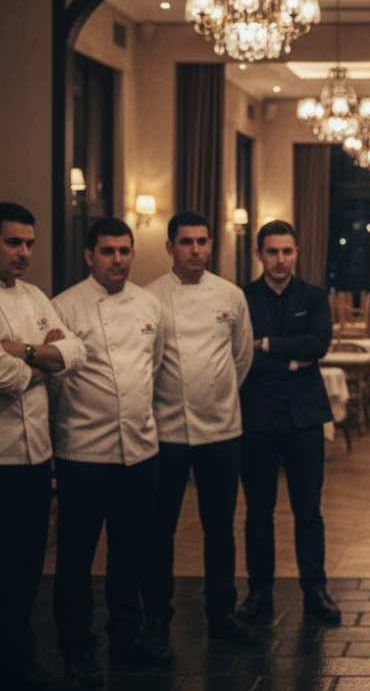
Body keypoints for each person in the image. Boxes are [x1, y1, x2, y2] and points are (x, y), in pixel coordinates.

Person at [50, 217, 167, 687]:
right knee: (77, 557)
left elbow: (151, 368)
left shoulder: (149, 305)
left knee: (131, 550)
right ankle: (77, 647)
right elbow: (55, 383)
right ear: (89, 256)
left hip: (141, 449)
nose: (118, 259)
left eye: (125, 251)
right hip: (84, 451)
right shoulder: (64, 307)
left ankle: (127, 633)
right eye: (108, 251)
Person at [142, 211, 256, 651]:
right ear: (170, 247)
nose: (196, 250)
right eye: (187, 242)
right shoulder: (150, 297)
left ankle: (221, 610)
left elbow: (241, 358)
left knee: (221, 527)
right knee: (160, 528)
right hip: (167, 430)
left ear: (211, 245)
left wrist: (219, 395)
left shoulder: (231, 295)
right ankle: (157, 615)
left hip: (222, 430)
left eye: (203, 242)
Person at [236, 220, 340, 624]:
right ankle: (259, 593)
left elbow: (320, 344)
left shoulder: (313, 296)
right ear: (260, 254)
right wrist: (290, 357)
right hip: (256, 418)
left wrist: (268, 346)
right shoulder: (242, 298)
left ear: (296, 252)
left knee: (309, 511)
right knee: (258, 512)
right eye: (273, 251)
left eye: (287, 251)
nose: (280, 259)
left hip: (304, 419)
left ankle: (315, 590)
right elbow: (243, 355)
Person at [0, 202, 86, 691]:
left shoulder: (34, 296)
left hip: (36, 456)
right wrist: (42, 362)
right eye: (14, 242)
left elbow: (74, 352)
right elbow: (2, 376)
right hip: (1, 457)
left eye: (29, 243)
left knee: (26, 568)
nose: (25, 252)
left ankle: (18, 661)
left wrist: (25, 353)